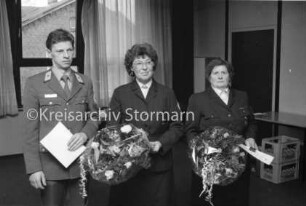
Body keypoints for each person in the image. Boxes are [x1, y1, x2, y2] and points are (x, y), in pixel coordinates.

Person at [23, 28, 99, 206]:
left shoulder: (85, 81)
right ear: (49, 53)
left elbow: (94, 115)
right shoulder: (35, 84)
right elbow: (30, 132)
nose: (66, 55)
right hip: (51, 167)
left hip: (80, 164)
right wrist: (33, 169)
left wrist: (85, 134)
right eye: (59, 51)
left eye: (69, 50)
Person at [108, 43, 184, 206]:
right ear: (131, 68)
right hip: (129, 165)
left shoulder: (167, 93)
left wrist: (161, 143)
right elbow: (112, 127)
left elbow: (177, 126)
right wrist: (129, 142)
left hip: (159, 165)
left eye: (148, 62)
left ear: (154, 65)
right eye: (138, 63)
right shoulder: (120, 93)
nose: (144, 67)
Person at [185, 58, 258, 206]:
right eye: (215, 73)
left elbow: (251, 122)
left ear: (229, 76)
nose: (219, 76)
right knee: (212, 200)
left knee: (237, 199)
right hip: (210, 162)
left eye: (223, 73)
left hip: (239, 161)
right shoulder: (197, 99)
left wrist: (250, 137)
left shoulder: (242, 96)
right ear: (209, 77)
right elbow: (190, 130)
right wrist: (202, 149)